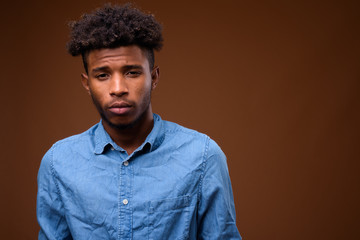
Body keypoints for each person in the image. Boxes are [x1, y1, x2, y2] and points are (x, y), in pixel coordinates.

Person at [36, 3, 241, 240]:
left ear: (153, 77)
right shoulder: (57, 163)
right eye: (102, 75)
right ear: (87, 83)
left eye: (132, 72)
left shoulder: (203, 157)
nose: (118, 89)